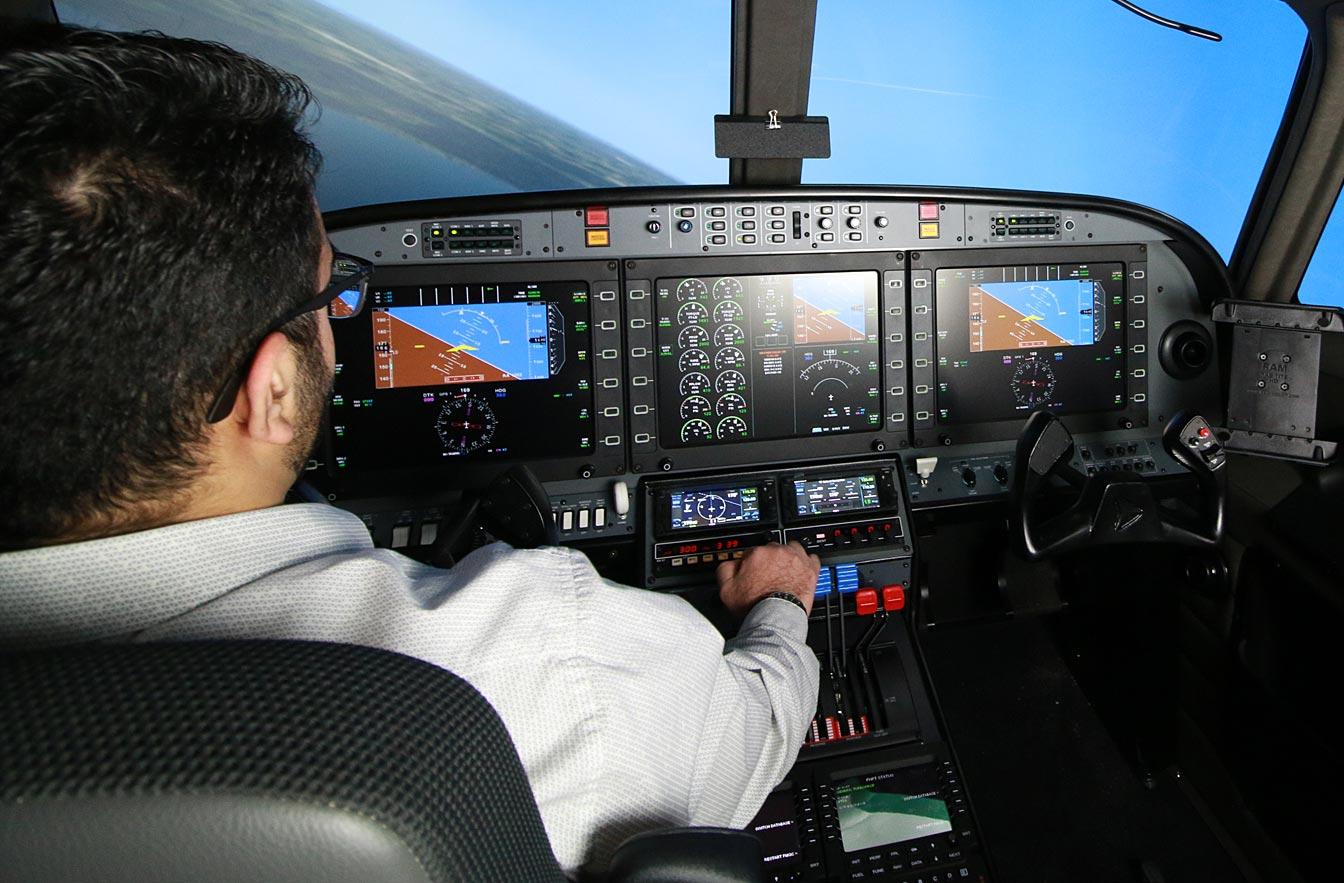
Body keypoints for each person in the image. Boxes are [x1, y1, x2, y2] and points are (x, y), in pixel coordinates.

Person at [0, 23, 821, 873]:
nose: (342, 315)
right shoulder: (547, 661)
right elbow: (750, 733)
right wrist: (779, 608)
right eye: (333, 290)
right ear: (272, 390)